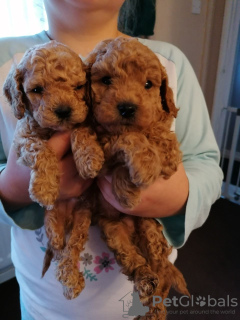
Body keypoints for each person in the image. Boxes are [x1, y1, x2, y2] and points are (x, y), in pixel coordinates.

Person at [0, 0, 223, 319]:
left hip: (136, 300)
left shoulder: (170, 62)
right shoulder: (4, 60)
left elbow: (206, 162)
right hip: (44, 302)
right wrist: (11, 187)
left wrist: (180, 197)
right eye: (104, 81)